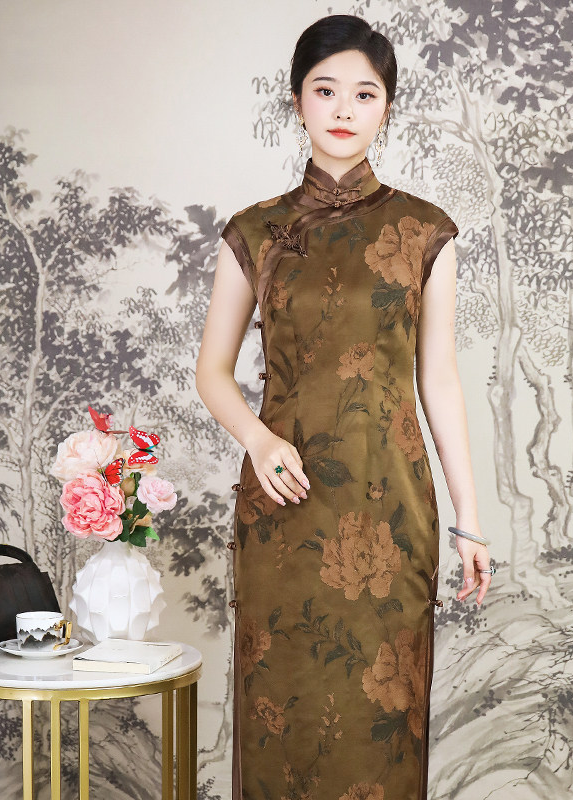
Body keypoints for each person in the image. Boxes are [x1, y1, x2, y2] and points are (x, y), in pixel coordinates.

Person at [196, 13, 493, 800]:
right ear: (297, 100)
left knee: (378, 734)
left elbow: (439, 380)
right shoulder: (254, 232)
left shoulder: (425, 231)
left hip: (391, 510)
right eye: (325, 89)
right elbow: (212, 372)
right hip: (283, 509)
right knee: (281, 721)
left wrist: (468, 519)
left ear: (386, 108)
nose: (343, 108)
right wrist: (258, 440)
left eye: (365, 94)